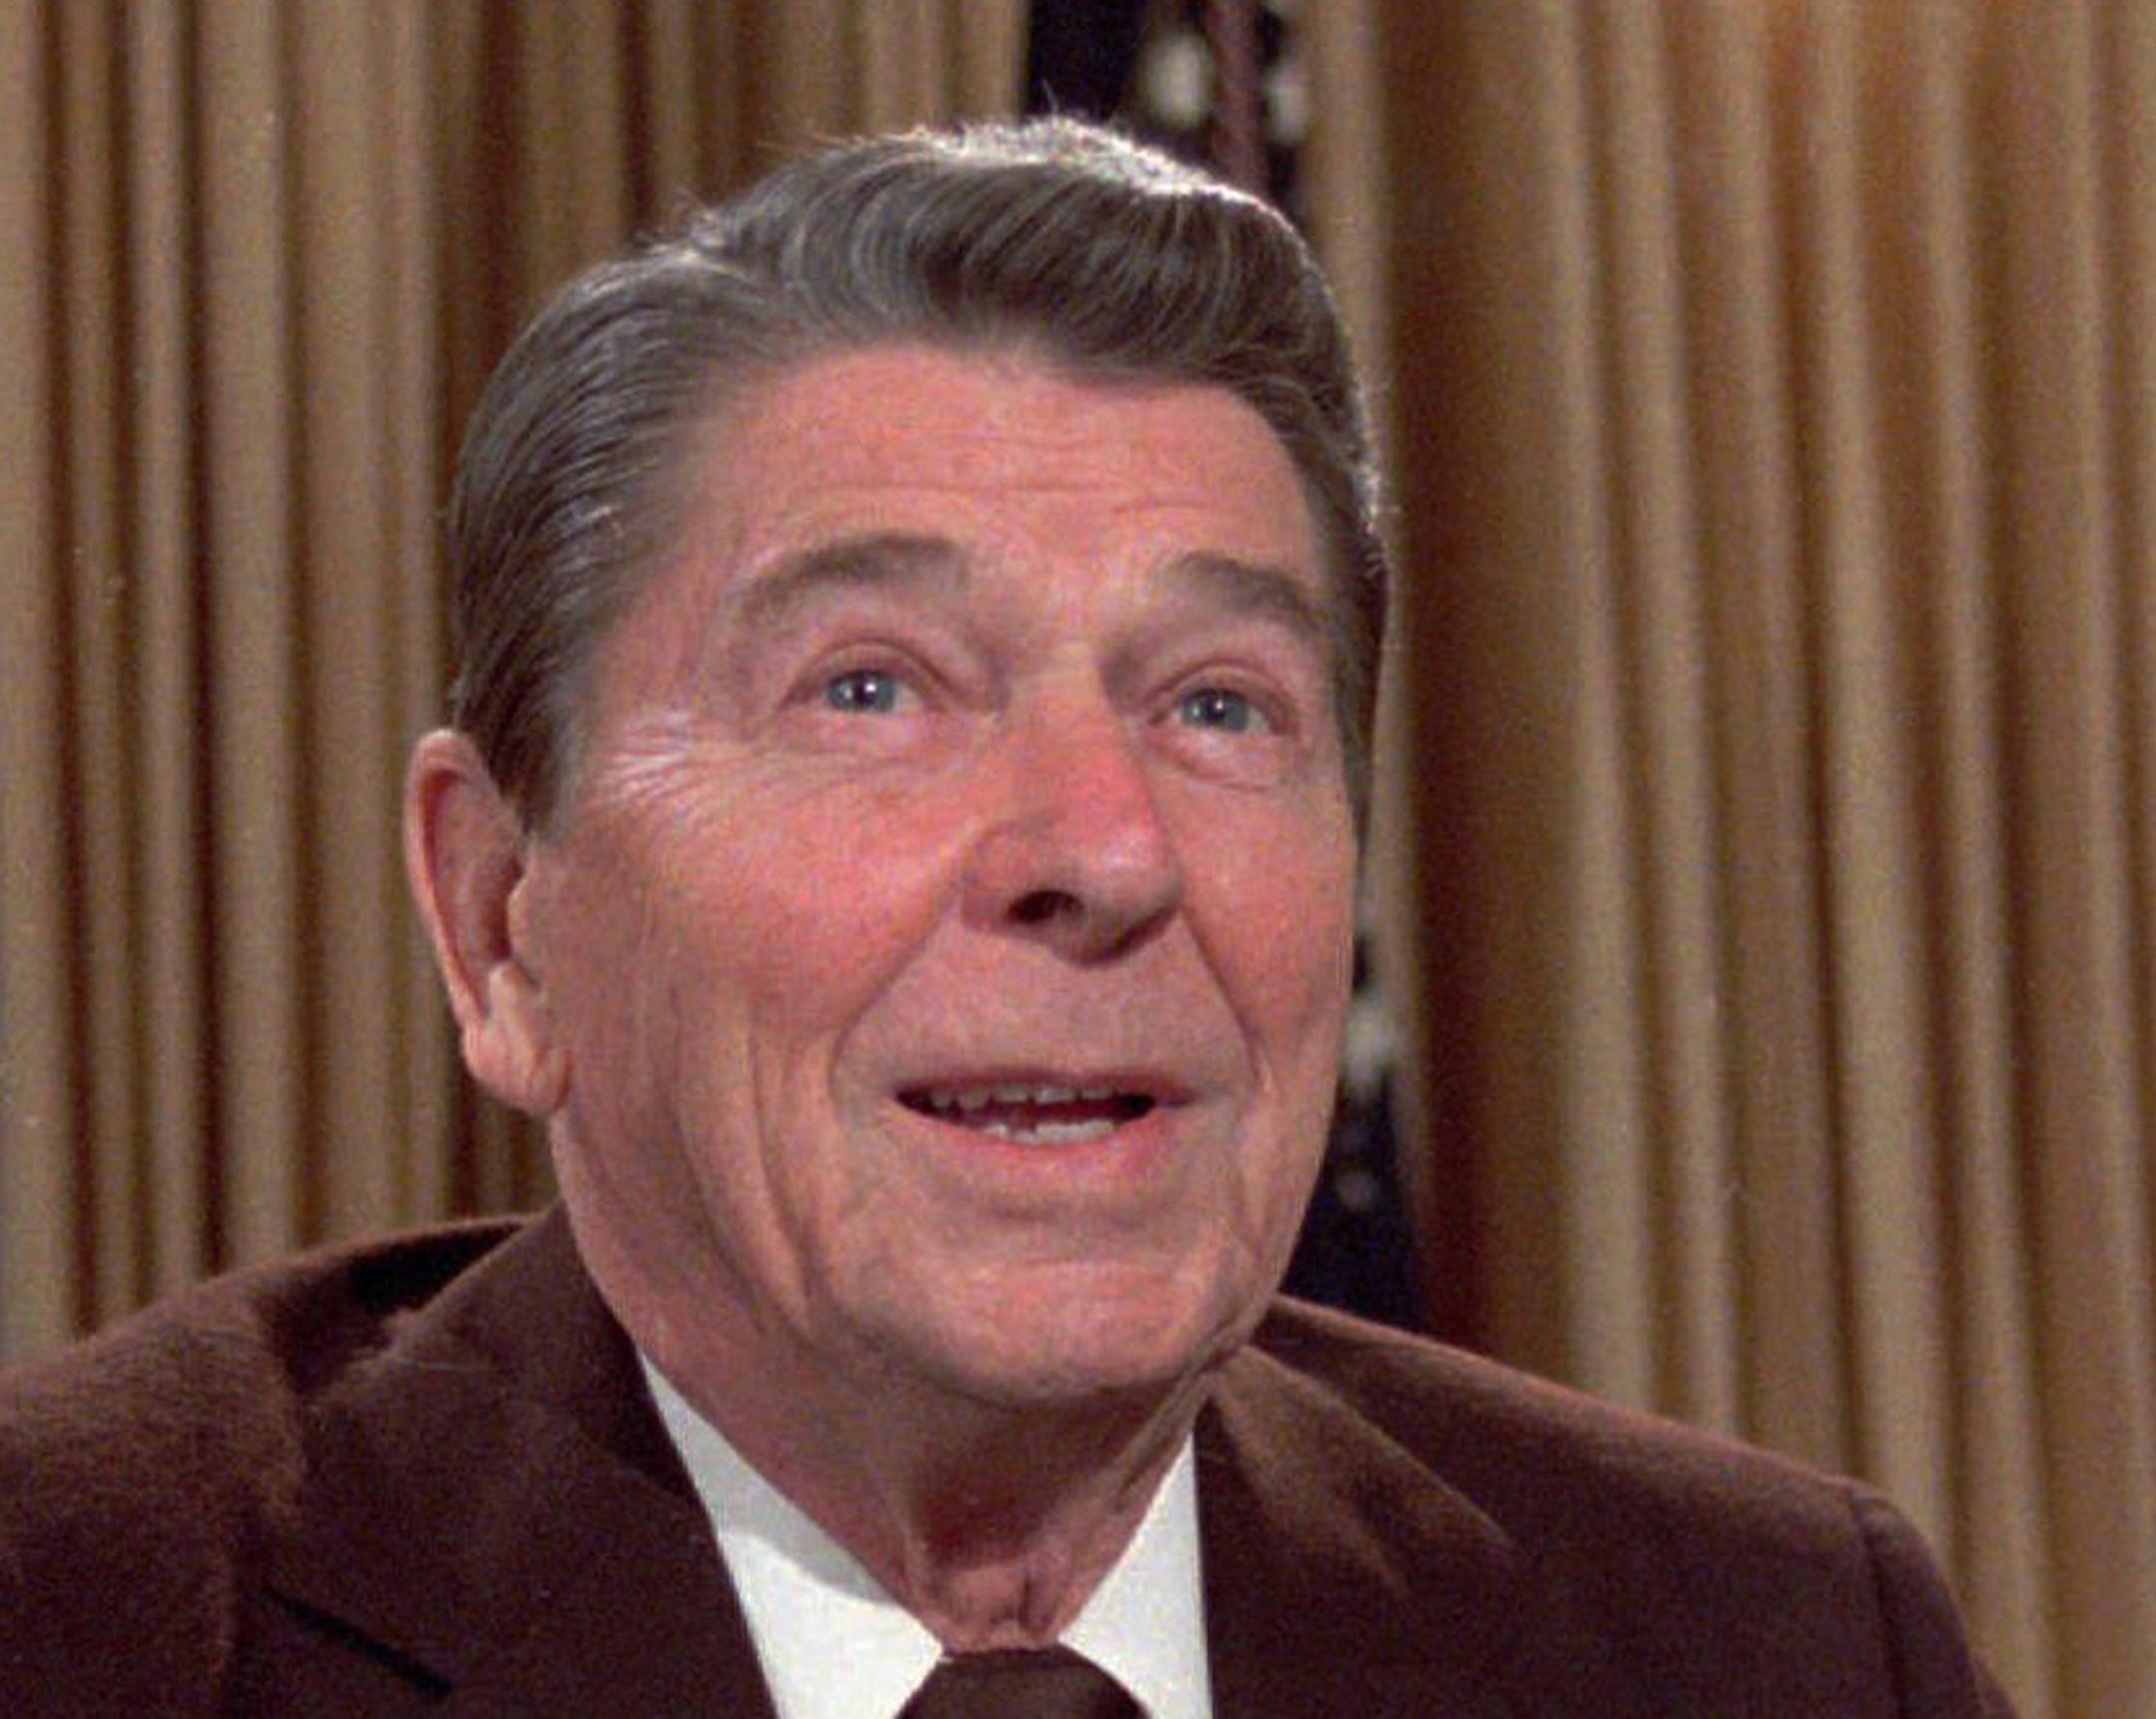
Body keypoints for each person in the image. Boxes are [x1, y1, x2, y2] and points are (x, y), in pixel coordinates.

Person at [0, 118, 2010, 1718]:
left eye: (1218, 706)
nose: (1108, 848)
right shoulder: (80, 1622)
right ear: (505, 921)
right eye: (872, 689)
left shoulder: (1778, 1645)